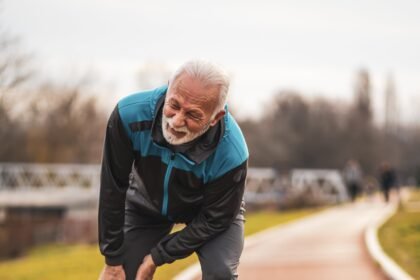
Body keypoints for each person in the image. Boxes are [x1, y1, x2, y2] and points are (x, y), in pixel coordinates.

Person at [98, 59, 248, 280]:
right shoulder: (128, 115)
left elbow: (214, 219)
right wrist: (112, 260)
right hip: (147, 203)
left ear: (215, 117)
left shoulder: (232, 152)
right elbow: (113, 188)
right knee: (122, 275)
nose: (177, 121)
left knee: (220, 273)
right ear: (169, 88)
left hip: (209, 213)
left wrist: (157, 256)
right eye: (174, 105)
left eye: (193, 115)